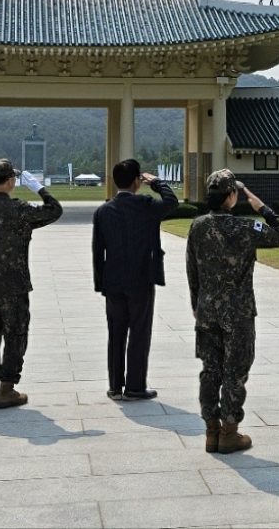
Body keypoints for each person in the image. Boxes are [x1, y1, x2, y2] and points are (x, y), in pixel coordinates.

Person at [186, 169, 279, 454]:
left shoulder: (198, 226)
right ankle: (229, 433)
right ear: (231, 196)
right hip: (238, 312)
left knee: (210, 371)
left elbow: (192, 269)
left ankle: (211, 432)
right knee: (235, 371)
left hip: (207, 310)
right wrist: (263, 209)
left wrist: (196, 303)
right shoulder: (246, 227)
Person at [0, 159, 62, 409]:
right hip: (14, 286)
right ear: (9, 181)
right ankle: (7, 389)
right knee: (15, 336)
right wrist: (39, 189)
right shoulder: (19, 210)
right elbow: (54, 210)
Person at [91, 159, 178, 401]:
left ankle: (115, 386)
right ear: (137, 181)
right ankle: (135, 387)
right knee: (139, 332)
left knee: (116, 333)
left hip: (113, 280)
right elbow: (172, 202)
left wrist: (100, 283)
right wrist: (158, 183)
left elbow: (97, 251)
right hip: (141, 277)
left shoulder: (103, 211)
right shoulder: (145, 205)